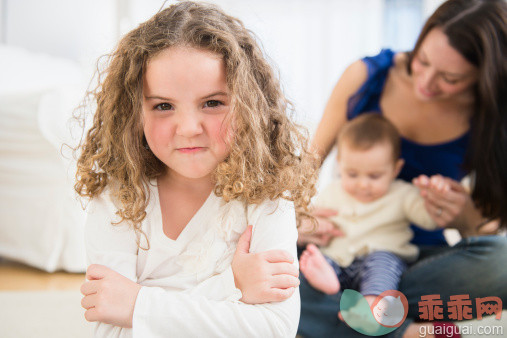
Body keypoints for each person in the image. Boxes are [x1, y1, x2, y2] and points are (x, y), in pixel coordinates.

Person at [74, 2, 318, 337]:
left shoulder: (268, 197)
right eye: (163, 106)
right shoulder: (118, 198)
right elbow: (111, 329)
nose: (188, 127)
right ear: (133, 113)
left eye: (213, 103)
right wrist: (233, 285)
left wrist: (136, 305)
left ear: (249, 105)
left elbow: (274, 328)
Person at [297, 0, 507, 337]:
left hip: (415, 261)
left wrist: (463, 216)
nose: (425, 81)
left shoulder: (492, 116)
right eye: (422, 60)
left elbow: (489, 226)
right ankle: (401, 329)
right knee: (273, 270)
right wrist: (298, 221)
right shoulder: (366, 77)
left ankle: (346, 308)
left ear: (484, 76)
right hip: (339, 243)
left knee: (504, 264)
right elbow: (303, 172)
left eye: (450, 78)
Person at [300, 114, 442, 311]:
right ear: (339, 164)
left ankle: (372, 305)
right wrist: (310, 226)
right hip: (337, 258)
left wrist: (433, 198)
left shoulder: (402, 193)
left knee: (382, 266)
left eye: (374, 176)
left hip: (379, 257)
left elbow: (429, 220)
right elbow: (314, 220)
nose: (363, 184)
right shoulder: (332, 191)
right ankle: (328, 283)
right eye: (351, 174)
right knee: (315, 260)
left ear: (395, 169)